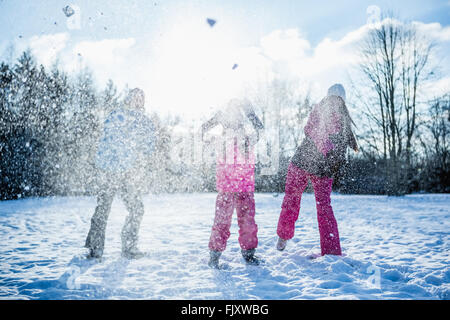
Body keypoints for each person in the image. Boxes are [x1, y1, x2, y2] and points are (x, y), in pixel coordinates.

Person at [276, 84, 358, 256]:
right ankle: (283, 236)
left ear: (342, 102)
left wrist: (334, 163)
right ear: (328, 98)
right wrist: (327, 146)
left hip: (322, 171)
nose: (334, 103)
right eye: (332, 99)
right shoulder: (320, 109)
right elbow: (310, 129)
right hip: (302, 162)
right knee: (291, 199)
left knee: (324, 208)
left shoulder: (343, 121)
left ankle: (331, 251)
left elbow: (340, 152)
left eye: (338, 100)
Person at [85, 88, 155, 259]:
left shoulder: (144, 121)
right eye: (134, 97)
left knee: (137, 208)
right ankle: (95, 247)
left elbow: (148, 146)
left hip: (127, 173)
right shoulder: (117, 115)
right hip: (109, 170)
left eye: (141, 98)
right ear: (128, 99)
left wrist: (146, 147)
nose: (137, 101)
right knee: (103, 208)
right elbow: (106, 138)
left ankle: (129, 246)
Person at [202, 98, 264, 268]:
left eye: (239, 112)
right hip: (226, 190)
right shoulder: (221, 139)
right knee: (221, 222)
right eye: (232, 113)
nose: (235, 117)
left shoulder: (247, 138)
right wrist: (214, 119)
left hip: (245, 189)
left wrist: (251, 113)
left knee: (248, 223)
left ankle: (249, 255)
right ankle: (214, 256)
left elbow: (260, 129)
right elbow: (203, 132)